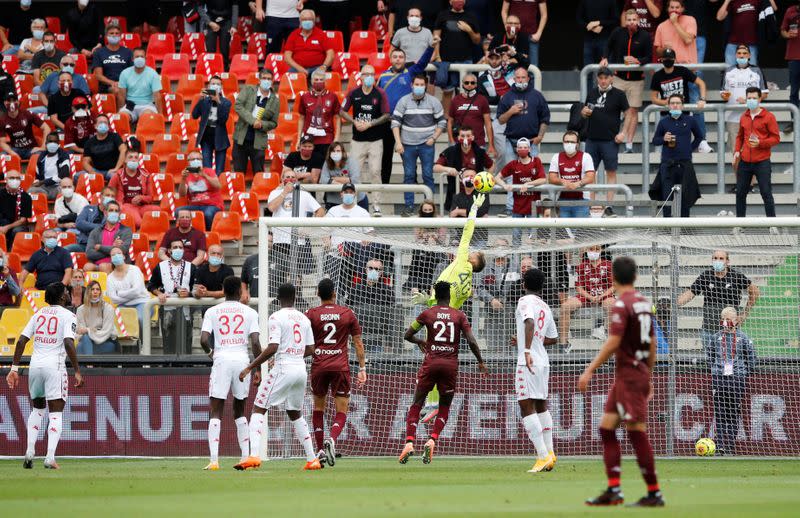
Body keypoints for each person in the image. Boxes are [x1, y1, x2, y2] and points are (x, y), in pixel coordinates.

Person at [579, 256, 664, 507]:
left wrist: (589, 369)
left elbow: (613, 341)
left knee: (636, 431)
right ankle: (614, 490)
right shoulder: (644, 303)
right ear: (636, 276)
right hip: (632, 374)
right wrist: (648, 375)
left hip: (629, 374)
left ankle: (654, 492)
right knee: (607, 428)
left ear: (613, 278)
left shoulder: (621, 304)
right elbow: (653, 342)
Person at [234, 282, 322, 471]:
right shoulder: (303, 318)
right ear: (295, 298)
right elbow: (311, 349)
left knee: (258, 408)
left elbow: (273, 347)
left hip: (284, 368)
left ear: (278, 298)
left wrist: (250, 367)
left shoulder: (276, 317)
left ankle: (254, 456)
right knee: (294, 412)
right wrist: (294, 353)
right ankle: (312, 458)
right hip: (300, 370)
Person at [399, 280, 487, 464]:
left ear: (434, 295)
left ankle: (409, 442)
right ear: (449, 295)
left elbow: (407, 335)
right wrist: (480, 361)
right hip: (450, 366)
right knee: (445, 407)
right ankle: (432, 439)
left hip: (430, 364)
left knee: (417, 404)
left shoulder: (427, 314)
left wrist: (420, 342)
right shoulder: (459, 315)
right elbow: (471, 340)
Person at [6, 282, 83, 470]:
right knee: (55, 413)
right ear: (62, 297)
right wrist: (77, 370)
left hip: (35, 366)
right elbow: (68, 343)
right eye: (66, 291)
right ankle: (49, 457)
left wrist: (14, 368)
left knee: (37, 410)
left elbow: (22, 340)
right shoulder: (68, 316)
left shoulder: (38, 314)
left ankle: (29, 452)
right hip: (54, 366)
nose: (68, 293)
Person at [199, 276, 260, 471]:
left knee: (216, 410)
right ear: (241, 292)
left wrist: (212, 354)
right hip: (242, 361)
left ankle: (214, 461)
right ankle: (244, 457)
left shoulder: (212, 311)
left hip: (222, 360)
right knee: (240, 410)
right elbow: (256, 343)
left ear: (223, 290)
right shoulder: (250, 312)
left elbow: (203, 339)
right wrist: (256, 368)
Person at [306, 278, 367, 466]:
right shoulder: (347, 313)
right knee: (342, 410)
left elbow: (303, 342)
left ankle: (320, 451)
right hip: (340, 366)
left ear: (317, 294)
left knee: (318, 408)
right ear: (334, 294)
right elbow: (358, 342)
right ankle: (331, 438)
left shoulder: (310, 314)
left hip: (319, 366)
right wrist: (362, 368)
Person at [513, 267, 559, 472]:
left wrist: (526, 349)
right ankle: (550, 453)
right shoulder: (546, 306)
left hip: (528, 361)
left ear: (524, 284)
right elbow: (553, 338)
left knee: (525, 405)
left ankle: (542, 456)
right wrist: (527, 342)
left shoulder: (525, 301)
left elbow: (529, 322)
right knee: (541, 405)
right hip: (543, 361)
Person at [378, 38, 436, 188]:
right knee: (386, 155)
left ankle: (413, 182)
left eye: (401, 57)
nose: (398, 59)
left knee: (407, 155)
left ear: (405, 60)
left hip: (405, 122)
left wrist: (431, 47)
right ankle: (385, 183)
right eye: (395, 57)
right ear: (390, 59)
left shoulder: (410, 73)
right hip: (386, 122)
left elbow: (423, 62)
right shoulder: (382, 77)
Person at [677, 250, 759, 352]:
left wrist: (744, 314)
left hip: (730, 331)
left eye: (721, 258)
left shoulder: (736, 276)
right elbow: (690, 293)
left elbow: (755, 291)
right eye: (715, 258)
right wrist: (675, 303)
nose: (718, 261)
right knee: (711, 361)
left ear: (727, 261)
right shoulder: (706, 276)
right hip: (709, 330)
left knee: (730, 360)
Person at [392, 73, 446, 216]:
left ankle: (429, 207)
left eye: (422, 85)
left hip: (426, 144)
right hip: (407, 144)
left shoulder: (434, 101)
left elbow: (442, 121)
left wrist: (434, 138)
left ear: (426, 86)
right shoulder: (403, 101)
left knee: (428, 175)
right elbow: (395, 122)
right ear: (412, 85)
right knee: (409, 175)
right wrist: (398, 142)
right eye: (417, 84)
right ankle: (409, 206)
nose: (419, 87)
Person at [340, 64, 390, 216]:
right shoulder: (353, 93)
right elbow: (342, 111)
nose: (369, 77)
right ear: (360, 77)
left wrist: (370, 123)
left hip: (375, 140)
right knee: (355, 173)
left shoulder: (380, 93)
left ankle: (376, 205)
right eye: (366, 74)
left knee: (375, 171)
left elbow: (387, 114)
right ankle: (356, 203)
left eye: (372, 74)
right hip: (357, 140)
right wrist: (354, 121)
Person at [706, 306, 756, 456]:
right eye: (724, 319)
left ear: (736, 320)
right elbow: (709, 357)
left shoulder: (743, 338)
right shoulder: (715, 337)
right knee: (720, 412)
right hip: (719, 378)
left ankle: (730, 446)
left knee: (733, 412)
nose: (726, 322)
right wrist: (715, 369)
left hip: (737, 378)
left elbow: (752, 358)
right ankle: (720, 446)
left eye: (729, 319)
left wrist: (744, 372)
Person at [601, 9, 651, 154]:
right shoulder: (617, 32)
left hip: (636, 80)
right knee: (613, 109)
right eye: (629, 20)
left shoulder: (645, 36)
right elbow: (608, 46)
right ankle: (612, 140)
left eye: (634, 20)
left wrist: (638, 61)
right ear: (625, 21)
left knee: (633, 110)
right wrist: (604, 57)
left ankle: (629, 144)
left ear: (638, 20)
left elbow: (649, 56)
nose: (631, 22)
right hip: (618, 78)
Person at [266, 169, 325, 288]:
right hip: (280, 241)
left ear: (297, 180)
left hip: (299, 241)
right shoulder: (274, 193)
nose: (290, 179)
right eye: (287, 177)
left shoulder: (304, 195)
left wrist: (308, 226)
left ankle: (298, 299)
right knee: (280, 275)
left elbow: (320, 211)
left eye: (293, 177)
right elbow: (271, 208)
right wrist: (284, 192)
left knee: (297, 276)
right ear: (282, 179)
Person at [582, 67, 631, 206]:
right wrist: (584, 112)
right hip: (591, 139)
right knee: (590, 173)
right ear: (597, 78)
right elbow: (585, 112)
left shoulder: (619, 94)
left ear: (611, 78)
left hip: (610, 141)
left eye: (606, 78)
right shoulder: (591, 93)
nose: (603, 81)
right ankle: (592, 205)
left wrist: (623, 133)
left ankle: (609, 206)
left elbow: (629, 114)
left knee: (611, 173)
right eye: (601, 78)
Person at [649, 48, 712, 153]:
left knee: (684, 143)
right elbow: (653, 98)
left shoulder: (682, 71)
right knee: (668, 145)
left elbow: (701, 83)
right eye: (665, 58)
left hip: (684, 114)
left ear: (674, 59)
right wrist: (665, 102)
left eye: (670, 58)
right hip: (667, 116)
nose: (668, 60)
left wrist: (702, 99)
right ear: (661, 60)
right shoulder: (657, 76)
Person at [650, 94, 703, 217]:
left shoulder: (690, 120)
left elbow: (699, 136)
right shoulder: (663, 122)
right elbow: (655, 140)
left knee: (685, 195)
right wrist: (664, 138)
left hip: (685, 163)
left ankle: (684, 225)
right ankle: (667, 225)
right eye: (672, 103)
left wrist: (690, 148)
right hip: (667, 164)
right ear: (669, 106)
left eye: (678, 103)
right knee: (667, 195)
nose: (675, 105)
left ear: (682, 105)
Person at [733, 87, 780, 219]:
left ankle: (772, 224)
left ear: (760, 99)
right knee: (740, 193)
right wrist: (737, 151)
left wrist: (761, 142)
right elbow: (740, 137)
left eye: (754, 98)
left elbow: (776, 138)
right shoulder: (744, 117)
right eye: (749, 98)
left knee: (766, 193)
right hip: (745, 162)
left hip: (762, 162)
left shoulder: (769, 117)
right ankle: (740, 224)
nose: (751, 100)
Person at [559, 244, 615, 351]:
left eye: (596, 249)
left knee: (612, 304)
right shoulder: (581, 266)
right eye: (591, 249)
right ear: (586, 250)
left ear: (601, 251)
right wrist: (590, 297)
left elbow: (614, 286)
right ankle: (563, 344)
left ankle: (610, 340)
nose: (593, 252)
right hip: (586, 295)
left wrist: (601, 295)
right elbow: (579, 287)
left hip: (604, 295)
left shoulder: (608, 265)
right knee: (565, 306)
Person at [147, 239, 197, 355]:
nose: (178, 250)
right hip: (167, 309)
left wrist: (188, 294)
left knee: (186, 340)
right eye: (175, 247)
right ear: (169, 251)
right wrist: (159, 294)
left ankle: (186, 367)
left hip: (185, 309)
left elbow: (196, 288)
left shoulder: (191, 267)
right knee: (168, 341)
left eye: (180, 247)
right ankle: (168, 367)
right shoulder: (161, 266)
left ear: (184, 250)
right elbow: (151, 285)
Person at [495, 138, 546, 246]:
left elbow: (543, 179)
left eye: (525, 147)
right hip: (518, 207)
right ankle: (516, 262)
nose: (522, 149)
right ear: (516, 149)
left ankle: (531, 262)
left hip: (533, 208)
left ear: (529, 149)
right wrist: (504, 185)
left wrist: (528, 184)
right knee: (516, 239)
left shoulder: (536, 161)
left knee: (533, 240)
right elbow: (497, 178)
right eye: (520, 147)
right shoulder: (513, 164)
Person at [432, 0, 481, 112]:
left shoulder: (471, 16)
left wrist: (469, 31)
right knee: (447, 92)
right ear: (450, 1)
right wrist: (438, 56)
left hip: (465, 60)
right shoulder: (443, 15)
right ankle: (446, 120)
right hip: (446, 61)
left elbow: (477, 40)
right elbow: (436, 37)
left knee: (466, 92)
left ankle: (464, 119)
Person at [721, 45, 768, 157]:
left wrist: (748, 101)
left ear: (749, 55)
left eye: (744, 53)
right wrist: (725, 97)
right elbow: (723, 94)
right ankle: (740, 175)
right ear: (735, 55)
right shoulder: (728, 71)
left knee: (753, 150)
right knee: (736, 152)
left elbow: (764, 93)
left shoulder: (756, 71)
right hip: (733, 117)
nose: (742, 55)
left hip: (753, 117)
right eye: (739, 53)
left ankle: (752, 175)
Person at [434, 126, 494, 212]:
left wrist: (486, 180)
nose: (465, 138)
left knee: (478, 215)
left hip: (476, 192)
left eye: (468, 136)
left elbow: (491, 165)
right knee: (455, 218)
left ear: (472, 137)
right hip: (456, 192)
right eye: (462, 136)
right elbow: (436, 167)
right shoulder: (451, 151)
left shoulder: (479, 152)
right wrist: (448, 169)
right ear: (458, 138)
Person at [232, 69, 279, 175]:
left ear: (273, 81)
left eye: (269, 79)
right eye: (264, 78)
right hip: (241, 138)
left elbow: (274, 123)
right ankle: (239, 192)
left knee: (259, 173)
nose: (266, 81)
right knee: (239, 172)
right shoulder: (248, 90)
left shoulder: (275, 101)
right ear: (259, 80)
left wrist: (262, 124)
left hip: (259, 141)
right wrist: (253, 121)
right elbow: (238, 106)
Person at [497, 67, 549, 161]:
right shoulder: (507, 96)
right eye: (518, 77)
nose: (520, 80)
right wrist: (510, 112)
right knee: (511, 173)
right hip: (511, 142)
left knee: (531, 173)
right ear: (514, 79)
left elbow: (545, 118)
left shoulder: (537, 96)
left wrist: (540, 137)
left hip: (531, 142)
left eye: (523, 77)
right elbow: (500, 120)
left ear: (528, 78)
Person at [547, 131, 596, 218]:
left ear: (577, 144)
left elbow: (590, 177)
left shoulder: (586, 156)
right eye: (566, 141)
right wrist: (562, 181)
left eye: (572, 142)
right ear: (563, 143)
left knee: (580, 230)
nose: (569, 144)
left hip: (582, 200)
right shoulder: (556, 157)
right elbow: (551, 178)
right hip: (562, 200)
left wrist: (578, 183)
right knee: (564, 230)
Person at [108, 148, 160, 227]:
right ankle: (143, 232)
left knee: (158, 211)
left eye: (136, 157)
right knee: (139, 223)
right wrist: (118, 205)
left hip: (142, 206)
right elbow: (108, 193)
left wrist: (141, 198)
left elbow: (150, 197)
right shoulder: (118, 175)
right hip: (126, 206)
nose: (133, 160)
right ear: (125, 160)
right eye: (130, 157)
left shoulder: (146, 175)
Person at [716, 0, 777, 66]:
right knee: (730, 72)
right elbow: (719, 17)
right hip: (733, 43)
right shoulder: (733, 2)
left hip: (751, 44)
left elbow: (774, 8)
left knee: (751, 73)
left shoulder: (757, 1)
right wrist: (727, 1)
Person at [446, 74, 494, 156]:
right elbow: (450, 122)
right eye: (467, 82)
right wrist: (451, 141)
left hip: (478, 143)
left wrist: (491, 145)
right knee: (456, 168)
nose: (469, 85)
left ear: (476, 84)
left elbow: (488, 123)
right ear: (462, 84)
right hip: (458, 143)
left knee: (479, 168)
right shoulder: (455, 100)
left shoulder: (482, 100)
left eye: (472, 83)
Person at [297, 67, 341, 157]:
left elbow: (337, 118)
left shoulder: (332, 96)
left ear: (325, 81)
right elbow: (301, 118)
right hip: (309, 140)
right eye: (316, 79)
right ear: (312, 81)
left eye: (321, 79)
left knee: (326, 167)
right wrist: (298, 139)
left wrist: (336, 138)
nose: (319, 82)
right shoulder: (305, 97)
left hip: (327, 139)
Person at [192, 75, 232, 175]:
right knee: (207, 169)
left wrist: (218, 101)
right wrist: (201, 99)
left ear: (221, 87)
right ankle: (209, 189)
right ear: (209, 86)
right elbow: (194, 115)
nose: (215, 86)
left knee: (219, 171)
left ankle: (218, 189)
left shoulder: (226, 102)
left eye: (218, 84)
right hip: (206, 138)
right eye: (213, 84)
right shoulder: (205, 101)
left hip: (220, 138)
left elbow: (223, 119)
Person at [106, 246, 151, 331]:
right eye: (113, 255)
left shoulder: (134, 270)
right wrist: (131, 294)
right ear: (111, 259)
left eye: (119, 253)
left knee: (139, 319)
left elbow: (137, 292)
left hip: (142, 302)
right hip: (123, 305)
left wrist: (120, 293)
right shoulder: (110, 278)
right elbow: (114, 300)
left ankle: (144, 343)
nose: (116, 256)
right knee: (114, 319)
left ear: (123, 256)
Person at [175, 150, 224, 229]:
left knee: (208, 214)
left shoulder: (209, 171)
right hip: (195, 205)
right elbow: (182, 194)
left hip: (212, 204)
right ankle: (188, 232)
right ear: (188, 162)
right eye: (193, 159)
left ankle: (209, 233)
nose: (196, 161)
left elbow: (218, 186)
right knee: (178, 211)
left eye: (198, 159)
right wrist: (183, 179)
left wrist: (204, 175)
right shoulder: (187, 174)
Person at [117, 47, 163, 123]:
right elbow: (121, 95)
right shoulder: (124, 73)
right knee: (122, 117)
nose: (139, 59)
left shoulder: (153, 73)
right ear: (132, 59)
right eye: (137, 57)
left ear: (145, 58)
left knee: (147, 117)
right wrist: (120, 111)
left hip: (147, 106)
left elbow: (157, 96)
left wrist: (160, 115)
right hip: (130, 105)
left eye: (142, 57)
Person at [84, 200, 132, 273]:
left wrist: (100, 247)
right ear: (105, 213)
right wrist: (113, 247)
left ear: (119, 214)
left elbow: (123, 249)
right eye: (111, 210)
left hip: (117, 264)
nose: (114, 213)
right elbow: (89, 254)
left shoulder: (126, 230)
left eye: (116, 211)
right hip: (97, 264)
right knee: (87, 267)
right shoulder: (95, 232)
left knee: (103, 266)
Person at [282, 9, 334, 75]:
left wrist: (323, 67)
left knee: (320, 81)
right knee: (289, 80)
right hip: (297, 68)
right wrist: (299, 68)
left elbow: (331, 54)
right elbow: (287, 57)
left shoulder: (321, 34)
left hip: (317, 67)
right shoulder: (293, 34)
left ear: (314, 21)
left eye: (310, 19)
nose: (307, 21)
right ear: (300, 21)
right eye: (304, 19)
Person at [0, 91, 50, 160]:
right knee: (2, 156)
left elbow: (46, 128)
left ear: (18, 102)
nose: (12, 103)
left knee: (41, 155)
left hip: (31, 149)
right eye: (9, 101)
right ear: (5, 103)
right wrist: (12, 153)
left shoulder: (27, 114)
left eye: (14, 100)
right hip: (15, 149)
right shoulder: (2, 120)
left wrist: (43, 146)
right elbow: (1, 142)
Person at [576, 0, 618, 78]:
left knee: (606, 72)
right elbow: (579, 19)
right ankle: (588, 91)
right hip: (588, 40)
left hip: (605, 41)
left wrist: (599, 23)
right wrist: (590, 27)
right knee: (588, 73)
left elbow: (615, 20)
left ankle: (607, 91)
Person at [75, 280, 118, 355]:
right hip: (87, 341)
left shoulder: (108, 308)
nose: (95, 292)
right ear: (88, 292)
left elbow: (106, 331)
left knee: (80, 347)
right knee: (84, 339)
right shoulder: (81, 309)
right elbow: (80, 331)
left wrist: (88, 330)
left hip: (106, 341)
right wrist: (91, 331)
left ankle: (88, 364)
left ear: (100, 292)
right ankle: (90, 365)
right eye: (92, 289)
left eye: (97, 289)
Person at [450, 169, 490, 247]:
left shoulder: (483, 194)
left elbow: (480, 212)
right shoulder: (456, 197)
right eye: (466, 176)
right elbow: (453, 215)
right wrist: (473, 212)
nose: (469, 178)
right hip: (461, 236)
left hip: (479, 236)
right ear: (461, 179)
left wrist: (459, 211)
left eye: (472, 176)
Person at [501, 0, 547, 67]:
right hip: (514, 35)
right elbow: (504, 11)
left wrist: (539, 33)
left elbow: (544, 15)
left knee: (533, 65)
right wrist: (507, 27)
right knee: (511, 64)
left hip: (531, 35)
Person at [81, 114, 127, 179]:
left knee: (115, 177)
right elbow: (85, 161)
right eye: (100, 122)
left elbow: (123, 150)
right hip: (96, 170)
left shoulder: (115, 137)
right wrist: (91, 171)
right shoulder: (89, 142)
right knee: (78, 176)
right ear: (95, 126)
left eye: (105, 123)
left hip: (112, 170)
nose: (103, 124)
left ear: (108, 126)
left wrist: (116, 168)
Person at [92, 22, 133, 95]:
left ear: (120, 36)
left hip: (125, 84)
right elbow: (98, 75)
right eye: (111, 33)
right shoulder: (99, 53)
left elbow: (132, 72)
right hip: (107, 86)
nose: (114, 35)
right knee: (118, 91)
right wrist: (112, 83)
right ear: (106, 36)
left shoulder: (128, 52)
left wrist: (122, 83)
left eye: (117, 33)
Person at [320, 144, 365, 209]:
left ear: (343, 152)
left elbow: (355, 179)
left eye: (338, 151)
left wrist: (333, 179)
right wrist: (346, 180)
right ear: (329, 153)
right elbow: (323, 179)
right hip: (333, 200)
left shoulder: (351, 161)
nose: (335, 153)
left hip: (357, 199)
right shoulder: (327, 162)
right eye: (333, 151)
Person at [73, 186, 116, 253]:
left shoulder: (115, 214)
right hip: (84, 244)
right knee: (65, 250)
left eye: (112, 196)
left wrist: (88, 226)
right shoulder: (88, 208)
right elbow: (79, 223)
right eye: (107, 195)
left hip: (102, 248)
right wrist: (99, 226)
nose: (110, 198)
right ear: (101, 196)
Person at [654, 0, 697, 65]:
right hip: (669, 67)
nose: (674, 10)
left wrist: (675, 22)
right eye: (672, 7)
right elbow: (657, 52)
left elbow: (688, 40)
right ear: (668, 9)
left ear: (682, 9)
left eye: (677, 7)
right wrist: (664, 49)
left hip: (688, 67)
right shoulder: (661, 26)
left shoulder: (690, 20)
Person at [30, 133, 70, 200]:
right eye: (50, 141)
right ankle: (43, 198)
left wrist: (43, 182)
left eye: (55, 142)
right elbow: (38, 176)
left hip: (58, 186)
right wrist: (36, 183)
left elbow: (63, 175)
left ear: (58, 144)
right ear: (46, 143)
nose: (52, 144)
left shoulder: (63, 155)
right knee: (30, 191)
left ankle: (45, 197)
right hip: (44, 187)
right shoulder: (41, 157)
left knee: (66, 192)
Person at [782, 2, 800, 134]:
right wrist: (787, 34)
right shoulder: (790, 11)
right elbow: (783, 30)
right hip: (794, 56)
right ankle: (794, 121)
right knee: (794, 91)